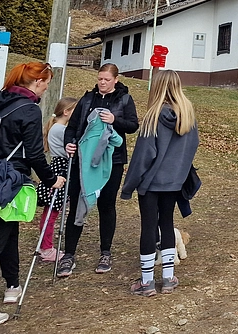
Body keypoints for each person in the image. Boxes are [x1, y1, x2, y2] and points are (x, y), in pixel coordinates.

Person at [0, 62, 65, 331]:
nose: (47, 88)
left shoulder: (0, 101)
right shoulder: (29, 109)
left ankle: (12, 285)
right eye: (46, 83)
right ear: (37, 82)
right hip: (12, 179)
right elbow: (35, 154)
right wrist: (52, 179)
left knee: (8, 231)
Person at [121, 70, 198, 297]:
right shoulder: (188, 117)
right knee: (166, 223)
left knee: (148, 226)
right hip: (174, 183)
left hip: (150, 183)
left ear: (157, 87)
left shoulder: (153, 117)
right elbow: (191, 148)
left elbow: (143, 156)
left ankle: (147, 282)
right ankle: (168, 279)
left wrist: (128, 186)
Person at [57, 63, 139, 278]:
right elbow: (72, 128)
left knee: (106, 205)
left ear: (116, 80)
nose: (102, 82)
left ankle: (105, 253)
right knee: (77, 203)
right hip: (83, 160)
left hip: (113, 160)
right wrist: (69, 143)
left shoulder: (124, 99)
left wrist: (115, 120)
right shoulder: (87, 100)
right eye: (100, 79)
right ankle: (69, 254)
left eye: (106, 79)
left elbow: (133, 126)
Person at [35, 97, 77, 264]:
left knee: (52, 210)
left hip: (59, 168)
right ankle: (46, 248)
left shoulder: (57, 127)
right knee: (52, 211)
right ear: (66, 112)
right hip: (60, 170)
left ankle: (45, 246)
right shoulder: (61, 129)